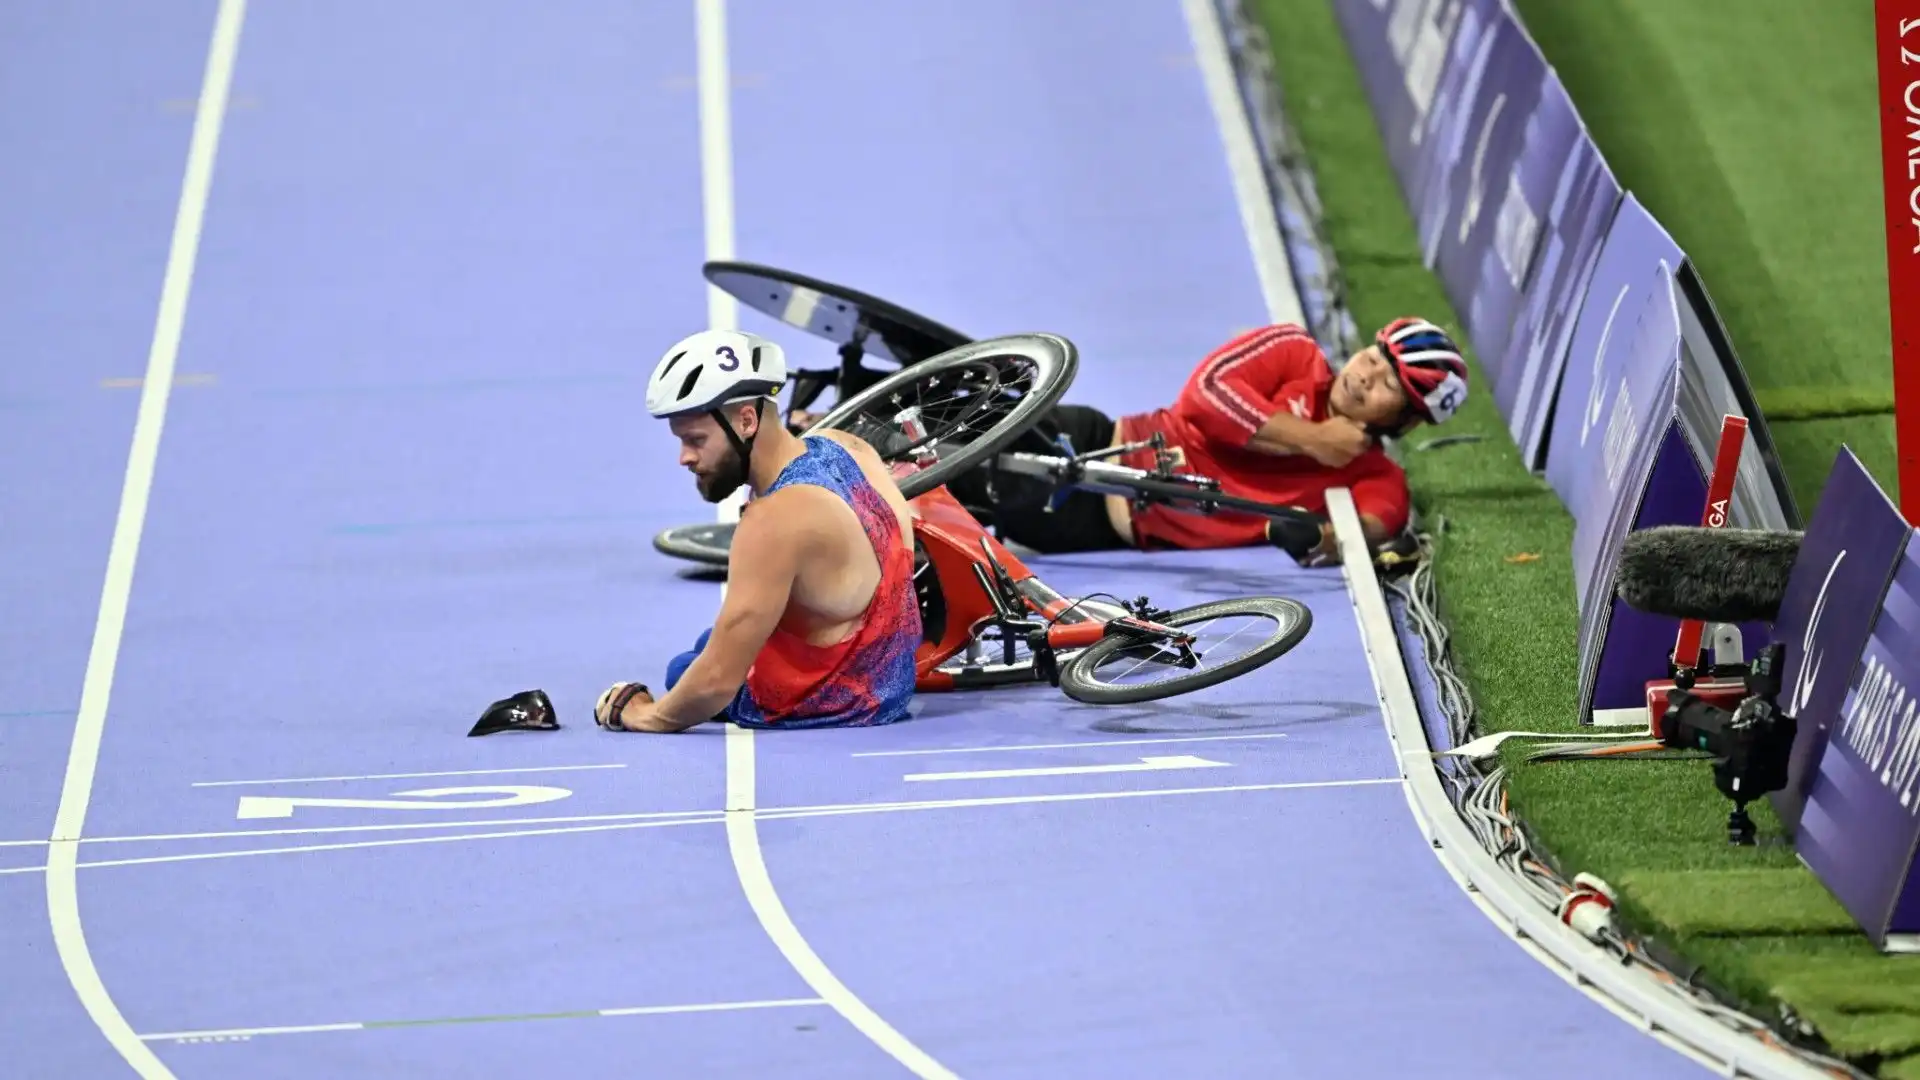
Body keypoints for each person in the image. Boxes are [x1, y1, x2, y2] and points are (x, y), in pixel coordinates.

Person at [594, 329, 923, 733]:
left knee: (684, 671)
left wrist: (645, 714)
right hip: (893, 671)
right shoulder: (843, 444)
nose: (684, 458)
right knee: (708, 642)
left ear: (746, 420)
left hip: (846, 700)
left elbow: (715, 683)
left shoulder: (773, 521)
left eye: (696, 440)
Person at [953, 318, 1469, 565]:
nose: (1365, 376)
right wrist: (1314, 440)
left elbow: (1367, 530)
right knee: (928, 435)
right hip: (1091, 441)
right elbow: (1203, 397)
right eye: (1373, 358)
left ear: (1405, 421)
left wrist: (1323, 539)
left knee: (937, 503)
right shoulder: (1293, 352)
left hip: (1091, 525)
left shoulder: (1377, 478)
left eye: (1387, 386)